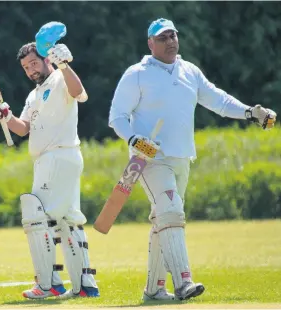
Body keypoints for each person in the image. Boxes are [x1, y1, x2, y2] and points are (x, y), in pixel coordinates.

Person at [108, 18, 277, 301]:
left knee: (165, 220)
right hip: (150, 159)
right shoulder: (137, 73)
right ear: (151, 43)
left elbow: (219, 101)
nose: (171, 41)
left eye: (173, 35)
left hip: (182, 157)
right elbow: (117, 117)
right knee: (171, 213)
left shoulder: (189, 71)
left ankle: (153, 289)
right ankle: (184, 281)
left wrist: (250, 112)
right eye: (163, 37)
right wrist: (135, 139)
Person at [0, 36, 99, 299]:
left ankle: (49, 284)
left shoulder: (60, 78)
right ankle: (85, 285)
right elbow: (23, 128)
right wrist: (5, 115)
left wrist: (65, 65)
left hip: (57, 157)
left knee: (37, 217)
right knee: (68, 220)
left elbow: (79, 93)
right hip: (54, 160)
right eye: (26, 67)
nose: (31, 70)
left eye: (34, 63)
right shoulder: (33, 95)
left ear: (47, 59)